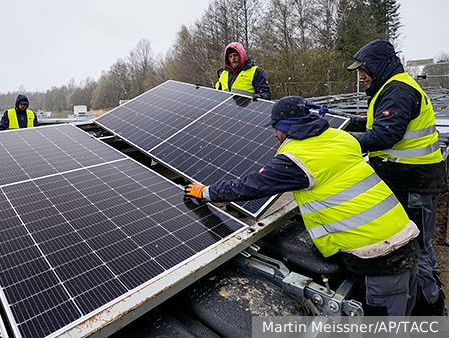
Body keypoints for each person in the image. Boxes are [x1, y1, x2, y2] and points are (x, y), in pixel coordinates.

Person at [185, 96, 421, 316]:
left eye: (276, 127)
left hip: (376, 256)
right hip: (404, 235)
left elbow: (249, 186)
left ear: (286, 126)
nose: (275, 134)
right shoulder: (342, 138)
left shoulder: (296, 160)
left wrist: (206, 192)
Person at [347, 39, 448, 316]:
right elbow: (378, 124)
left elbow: (385, 134)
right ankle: (427, 301)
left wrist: (344, 142)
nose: (361, 76)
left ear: (378, 66)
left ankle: (431, 308)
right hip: (413, 181)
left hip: (415, 184)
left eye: (363, 69)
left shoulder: (397, 90)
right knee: (418, 244)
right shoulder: (391, 88)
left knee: (417, 245)